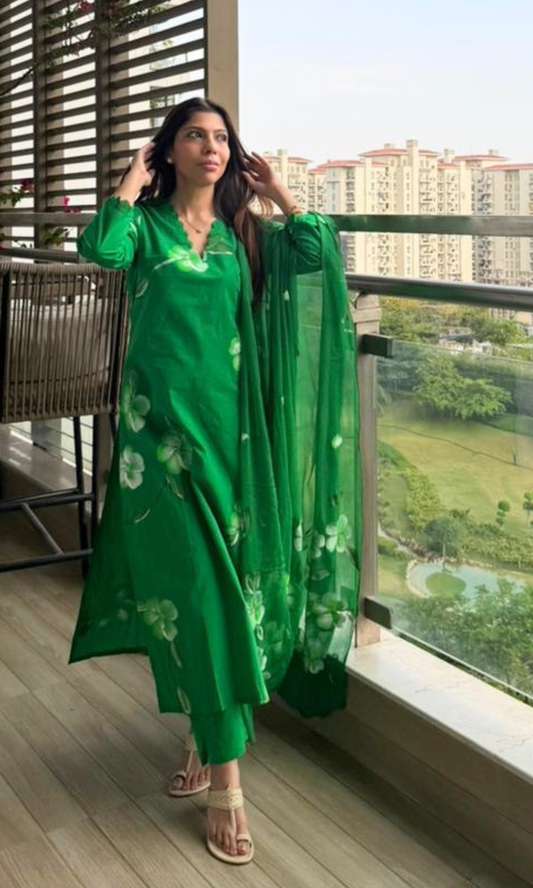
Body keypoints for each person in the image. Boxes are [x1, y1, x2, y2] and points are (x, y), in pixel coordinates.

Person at [68, 97, 361, 865]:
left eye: (221, 138)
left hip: (233, 436)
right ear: (168, 151)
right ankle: (228, 781)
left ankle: (204, 732)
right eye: (194, 136)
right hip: (158, 441)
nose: (211, 148)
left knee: (227, 590)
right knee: (198, 593)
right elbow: (100, 250)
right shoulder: (145, 228)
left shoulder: (244, 234)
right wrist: (129, 182)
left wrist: (280, 194)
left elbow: (315, 251)